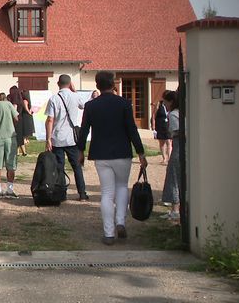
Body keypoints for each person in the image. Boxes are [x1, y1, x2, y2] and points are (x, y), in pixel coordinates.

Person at [77, 71, 148, 245]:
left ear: (97, 85)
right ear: (113, 84)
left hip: (101, 153)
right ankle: (121, 222)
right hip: (122, 152)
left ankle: (108, 233)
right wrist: (140, 152)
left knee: (107, 193)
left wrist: (80, 150)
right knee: (122, 186)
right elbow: (132, 129)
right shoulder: (124, 103)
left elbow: (84, 129)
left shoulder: (91, 105)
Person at [45, 74, 89, 201]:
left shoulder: (54, 98)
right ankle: (82, 193)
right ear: (70, 84)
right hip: (72, 138)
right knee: (76, 167)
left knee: (59, 167)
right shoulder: (75, 96)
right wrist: (74, 91)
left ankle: (62, 193)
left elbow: (50, 120)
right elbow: (83, 105)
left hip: (57, 137)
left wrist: (48, 138)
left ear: (58, 84)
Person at [160, 90, 181, 221]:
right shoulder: (181, 112)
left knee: (173, 178)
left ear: (171, 102)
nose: (165, 105)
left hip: (178, 148)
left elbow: (176, 132)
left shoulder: (173, 114)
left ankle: (175, 209)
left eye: (165, 102)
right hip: (180, 148)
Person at [151, 92, 172, 165]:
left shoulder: (171, 104)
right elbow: (154, 115)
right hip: (160, 125)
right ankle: (164, 158)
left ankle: (169, 158)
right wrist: (153, 126)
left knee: (169, 142)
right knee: (162, 143)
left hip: (168, 125)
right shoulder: (159, 104)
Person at [8, 86, 27, 157]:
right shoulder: (20, 100)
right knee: (20, 135)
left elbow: (14, 110)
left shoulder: (14, 101)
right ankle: (23, 151)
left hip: (16, 119)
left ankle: (18, 151)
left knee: (16, 135)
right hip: (20, 118)